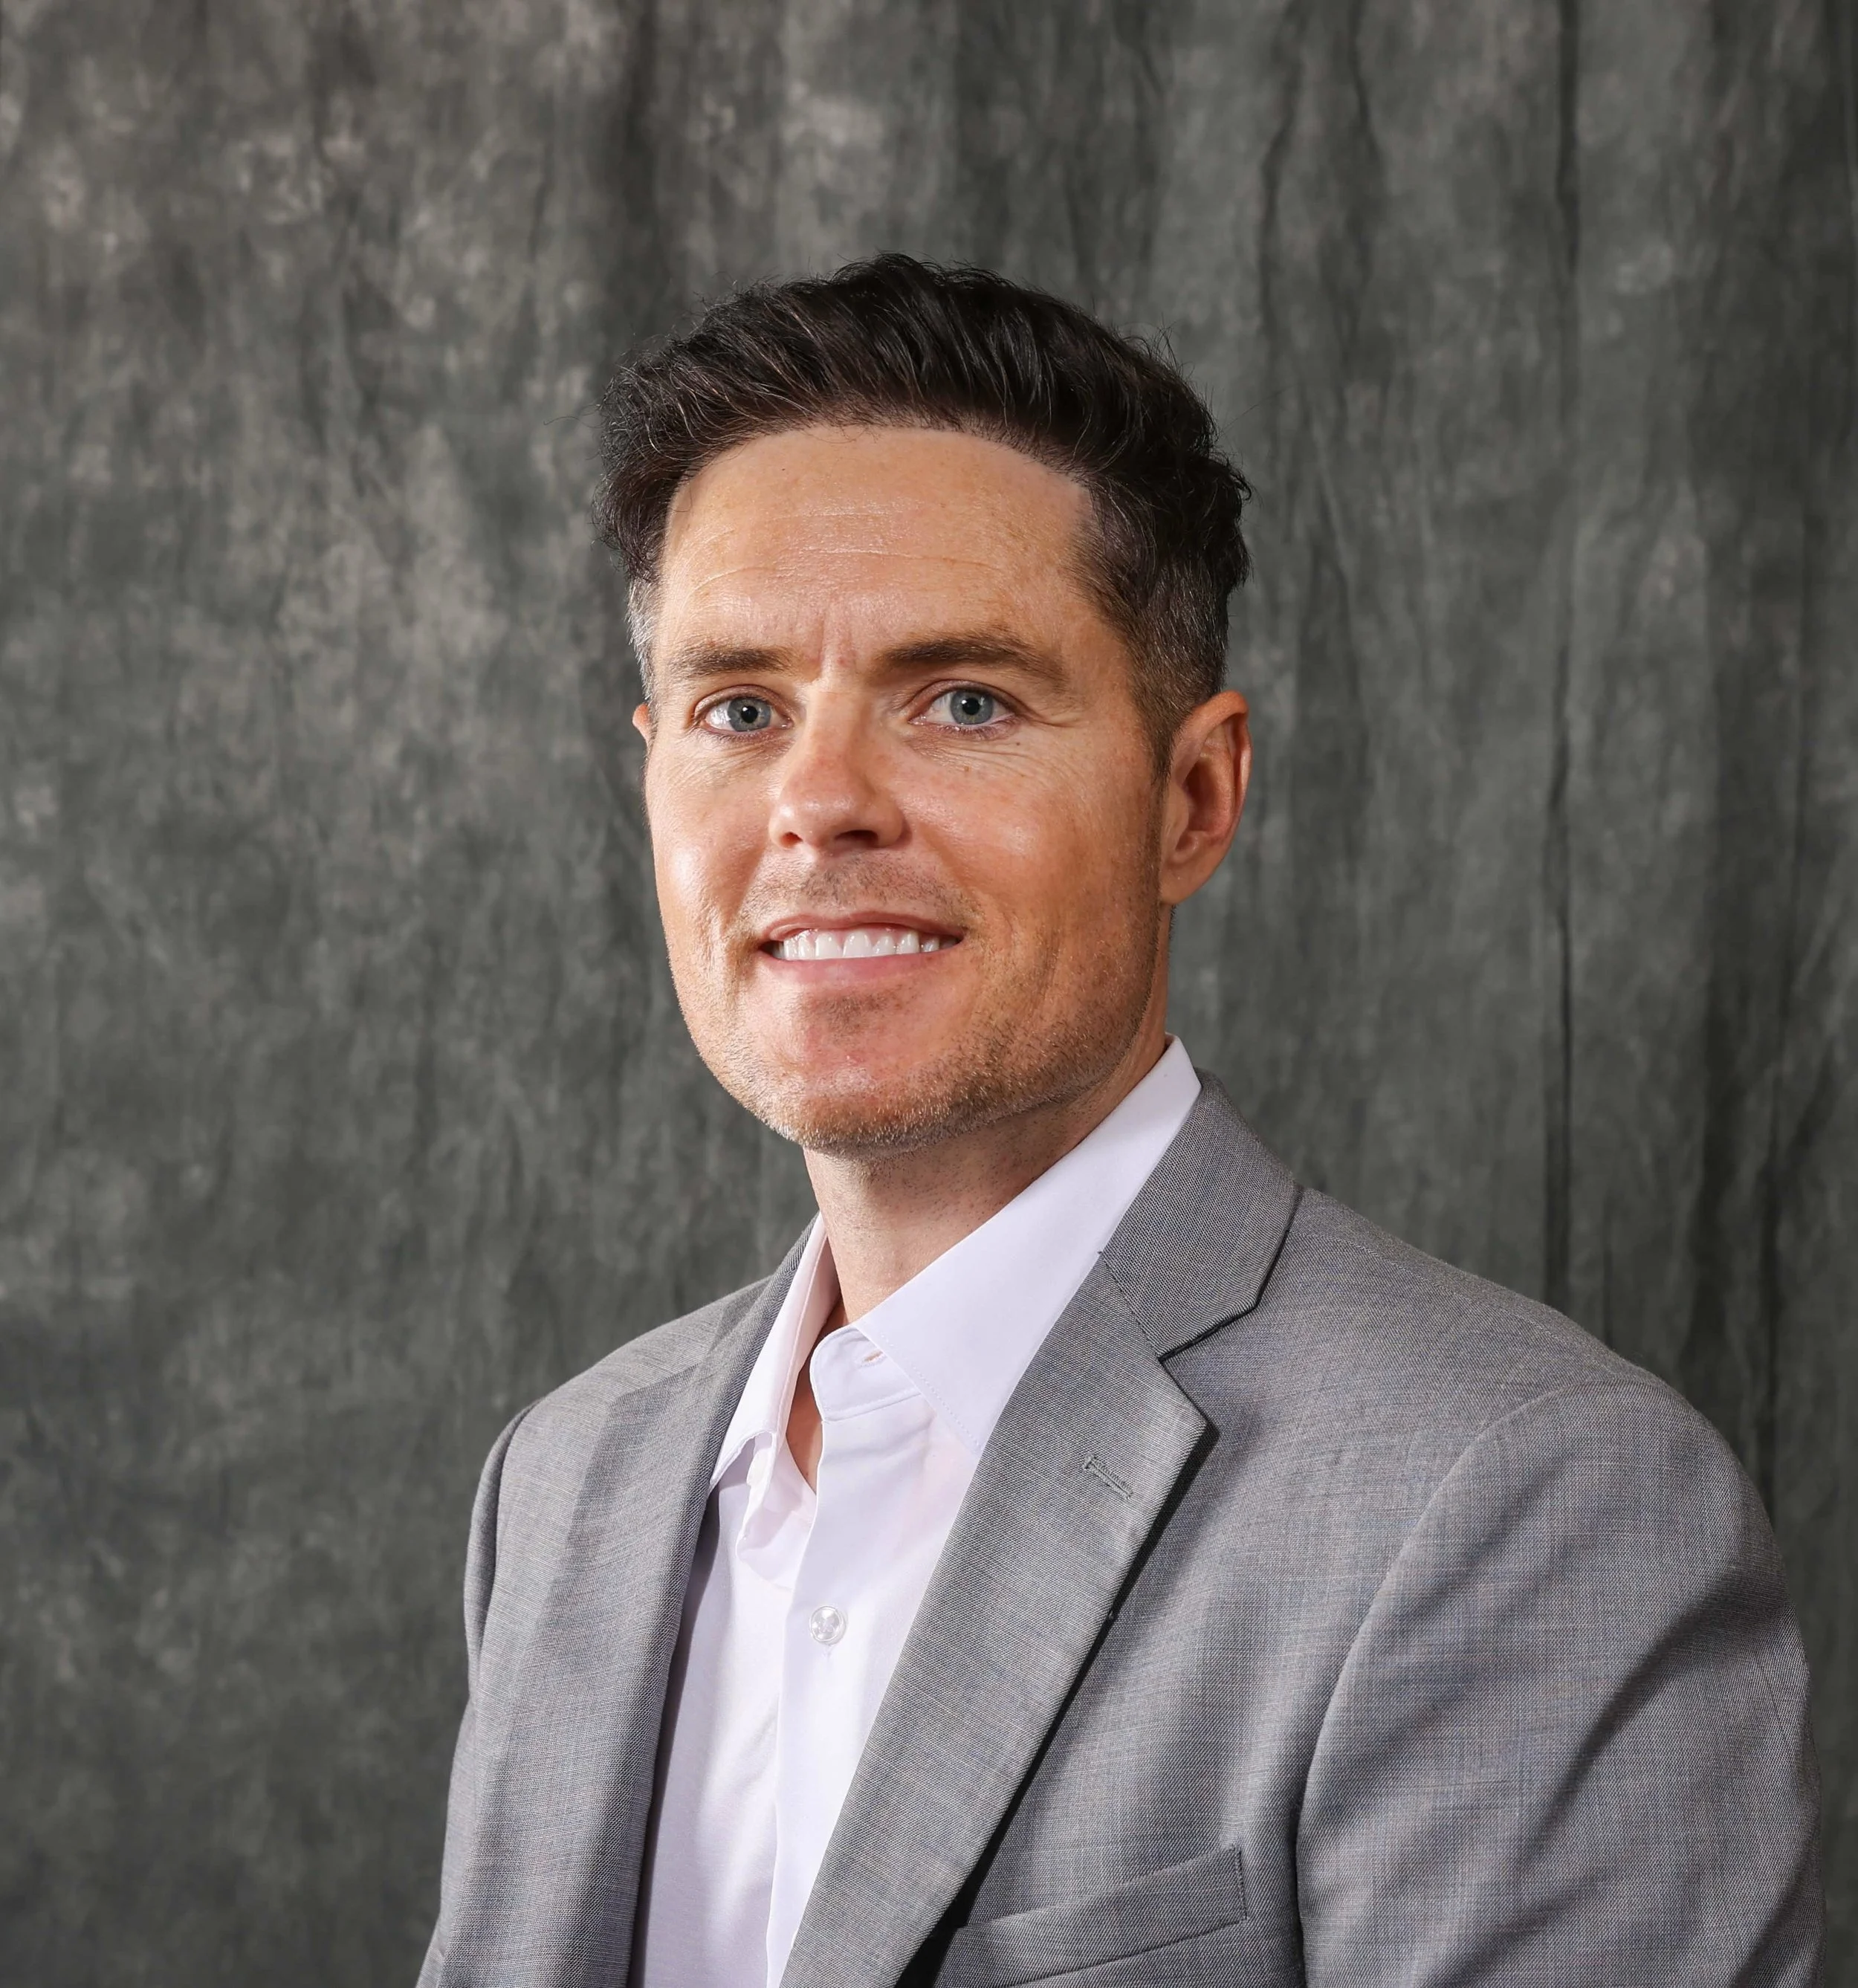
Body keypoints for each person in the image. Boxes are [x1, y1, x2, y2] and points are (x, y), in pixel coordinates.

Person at [418, 256, 1821, 1988]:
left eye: (964, 701)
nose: (820, 803)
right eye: (738, 709)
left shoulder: (1527, 1503)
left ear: (1192, 795)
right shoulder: (568, 1480)